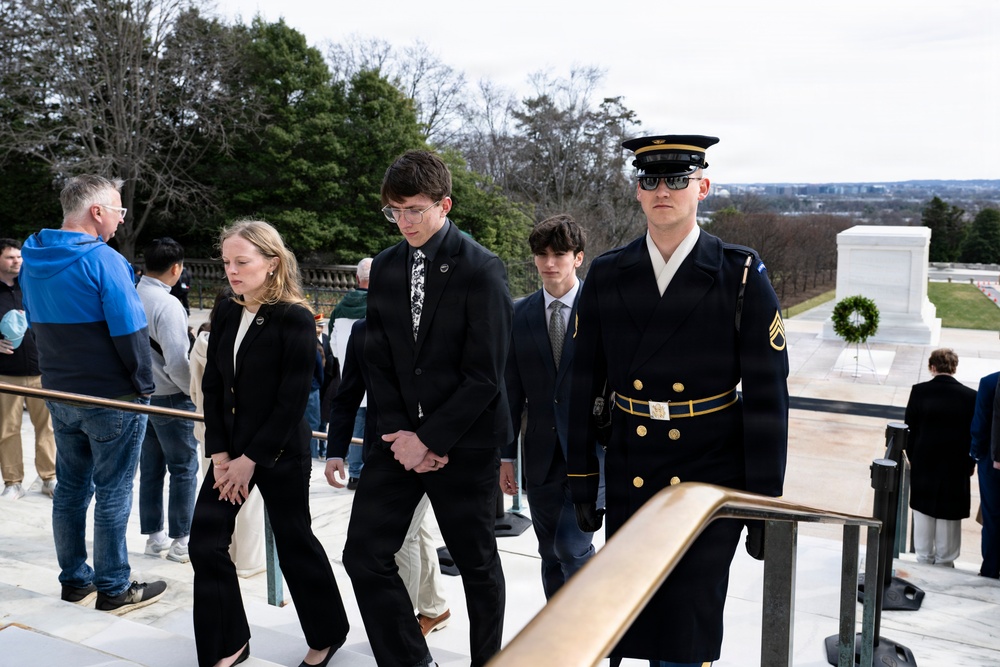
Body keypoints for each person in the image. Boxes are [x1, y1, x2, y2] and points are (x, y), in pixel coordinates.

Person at [566, 135, 789, 667]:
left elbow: (767, 400)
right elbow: (582, 383)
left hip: (709, 470)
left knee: (689, 614)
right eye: (650, 180)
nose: (662, 190)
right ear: (637, 192)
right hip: (631, 464)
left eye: (677, 179)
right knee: (633, 608)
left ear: (703, 188)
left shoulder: (739, 274)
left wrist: (764, 506)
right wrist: (581, 476)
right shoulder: (607, 272)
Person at [343, 150, 513, 667]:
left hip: (464, 442)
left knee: (477, 565)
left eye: (415, 209)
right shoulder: (389, 266)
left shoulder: (482, 269)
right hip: (397, 443)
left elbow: (485, 375)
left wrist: (432, 440)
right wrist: (402, 437)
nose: (405, 221)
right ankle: (412, 662)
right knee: (363, 555)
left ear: (445, 204)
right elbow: (382, 360)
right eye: (395, 210)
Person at [189, 220, 349, 667]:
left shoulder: (295, 317)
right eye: (226, 262)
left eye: (242, 262)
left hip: (278, 451)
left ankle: (328, 634)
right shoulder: (224, 308)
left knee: (295, 542)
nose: (231, 271)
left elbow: (291, 400)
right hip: (229, 452)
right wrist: (221, 454)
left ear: (272, 263)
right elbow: (215, 385)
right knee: (205, 542)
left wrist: (250, 461)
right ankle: (229, 643)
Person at [19, 174, 166, 612]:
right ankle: (115, 587)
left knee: (70, 489)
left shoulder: (32, 257)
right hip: (109, 397)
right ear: (97, 212)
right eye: (119, 210)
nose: (123, 219)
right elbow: (131, 333)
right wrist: (143, 387)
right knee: (113, 491)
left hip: (60, 392)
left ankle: (74, 581)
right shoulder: (104, 260)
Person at [500, 214, 604, 599]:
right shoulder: (518, 313)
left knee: (571, 548)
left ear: (578, 258)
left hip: (593, 455)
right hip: (541, 455)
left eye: (559, 253)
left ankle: (587, 630)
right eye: (541, 254)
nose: (549, 263)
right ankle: (557, 636)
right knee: (548, 552)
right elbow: (510, 392)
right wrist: (506, 456)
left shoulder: (602, 310)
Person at [325, 318, 450, 634]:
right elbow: (348, 393)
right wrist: (336, 451)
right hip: (382, 455)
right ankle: (434, 608)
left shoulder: (433, 323)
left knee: (401, 538)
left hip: (428, 454)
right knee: (413, 530)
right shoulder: (361, 330)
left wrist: (435, 443)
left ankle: (401, 628)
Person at [188, 287, 265, 578]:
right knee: (247, 501)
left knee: (217, 492)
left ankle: (226, 555)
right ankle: (247, 560)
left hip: (208, 429)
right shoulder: (238, 343)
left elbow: (196, 388)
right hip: (240, 433)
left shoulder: (201, 343)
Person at [136, 238, 199, 564]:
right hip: (171, 397)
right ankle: (181, 540)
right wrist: (193, 393)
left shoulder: (130, 293)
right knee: (184, 468)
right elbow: (177, 361)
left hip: (139, 396)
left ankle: (153, 537)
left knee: (150, 468)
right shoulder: (169, 304)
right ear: (176, 268)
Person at [904, 348, 976, 566]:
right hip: (956, 467)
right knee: (949, 518)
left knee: (924, 517)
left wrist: (914, 458)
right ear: (954, 367)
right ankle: (946, 562)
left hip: (925, 465)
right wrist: (970, 464)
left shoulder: (919, 391)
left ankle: (924, 560)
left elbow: (910, 431)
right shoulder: (971, 396)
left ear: (932, 367)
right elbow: (975, 434)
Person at [0, 238, 57, 500]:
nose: (17, 261)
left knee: (47, 427)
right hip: (6, 374)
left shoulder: (33, 286)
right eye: (11, 257)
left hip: (41, 370)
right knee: (7, 429)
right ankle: (13, 482)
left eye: (19, 257)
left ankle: (50, 478)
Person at [326, 257, 372, 488]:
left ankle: (354, 471)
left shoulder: (340, 307)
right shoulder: (378, 304)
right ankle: (360, 470)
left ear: (356, 278)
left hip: (348, 371)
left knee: (354, 421)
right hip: (372, 375)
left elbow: (332, 344)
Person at [971, 369, 1000, 577]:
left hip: (992, 461)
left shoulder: (990, 382)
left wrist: (976, 454)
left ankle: (990, 568)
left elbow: (980, 424)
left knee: (992, 517)